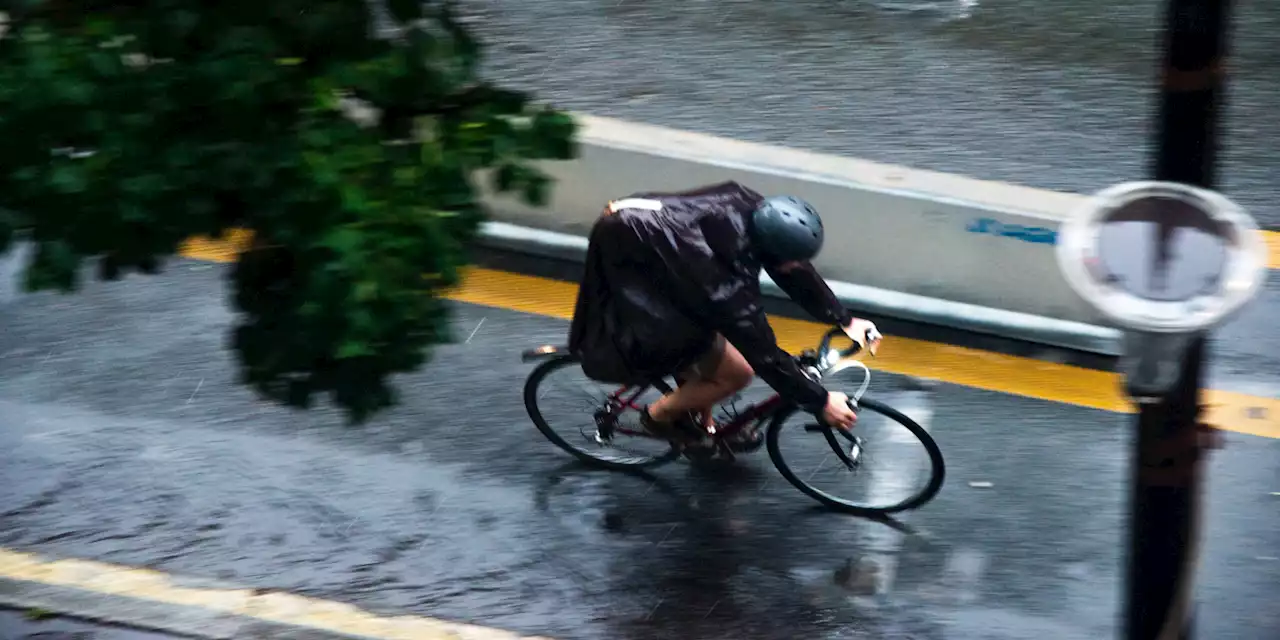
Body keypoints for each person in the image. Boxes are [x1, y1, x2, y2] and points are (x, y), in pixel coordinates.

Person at [567, 181, 881, 444]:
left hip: (656, 236)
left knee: (710, 343)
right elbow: (764, 354)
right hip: (635, 257)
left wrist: (844, 319)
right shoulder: (722, 282)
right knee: (735, 372)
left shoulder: (756, 211)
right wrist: (821, 401)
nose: (796, 267)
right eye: (792, 259)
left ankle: (701, 422)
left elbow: (793, 272)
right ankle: (657, 417)